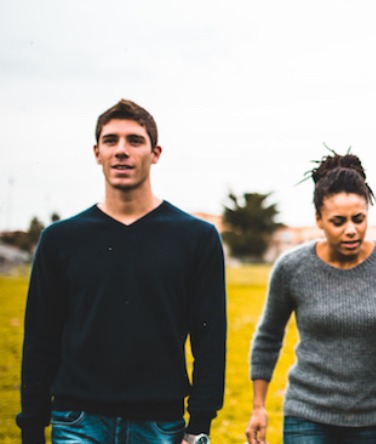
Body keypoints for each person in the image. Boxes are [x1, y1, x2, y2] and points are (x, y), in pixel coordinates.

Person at [17, 99, 227, 444]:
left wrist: (200, 423)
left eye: (134, 140)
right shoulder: (60, 240)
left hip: (160, 424)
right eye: (111, 140)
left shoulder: (197, 238)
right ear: (96, 152)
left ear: (155, 153)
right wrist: (31, 427)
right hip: (77, 421)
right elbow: (40, 338)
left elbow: (210, 340)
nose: (121, 151)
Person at [246, 151, 376, 444]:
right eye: (338, 221)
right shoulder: (292, 267)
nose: (351, 230)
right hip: (306, 415)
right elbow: (268, 336)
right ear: (319, 220)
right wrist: (258, 407)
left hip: (370, 419)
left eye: (359, 219)